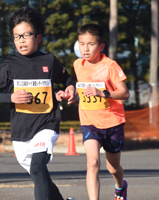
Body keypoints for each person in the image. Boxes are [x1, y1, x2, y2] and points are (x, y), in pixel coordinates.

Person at [0, 7, 76, 200]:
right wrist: (11, 98)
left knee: (37, 167)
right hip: (21, 131)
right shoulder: (8, 66)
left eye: (26, 35)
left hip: (47, 123)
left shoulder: (49, 61)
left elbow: (67, 78)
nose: (21, 40)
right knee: (39, 173)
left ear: (38, 37)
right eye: (17, 36)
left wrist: (70, 89)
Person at [56, 24, 130, 200]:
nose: (85, 49)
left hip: (113, 122)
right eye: (82, 44)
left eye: (90, 44)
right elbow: (83, 92)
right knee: (93, 162)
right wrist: (70, 96)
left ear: (101, 46)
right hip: (90, 122)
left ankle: (120, 186)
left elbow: (125, 93)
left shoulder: (110, 65)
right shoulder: (77, 64)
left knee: (113, 168)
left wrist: (103, 92)